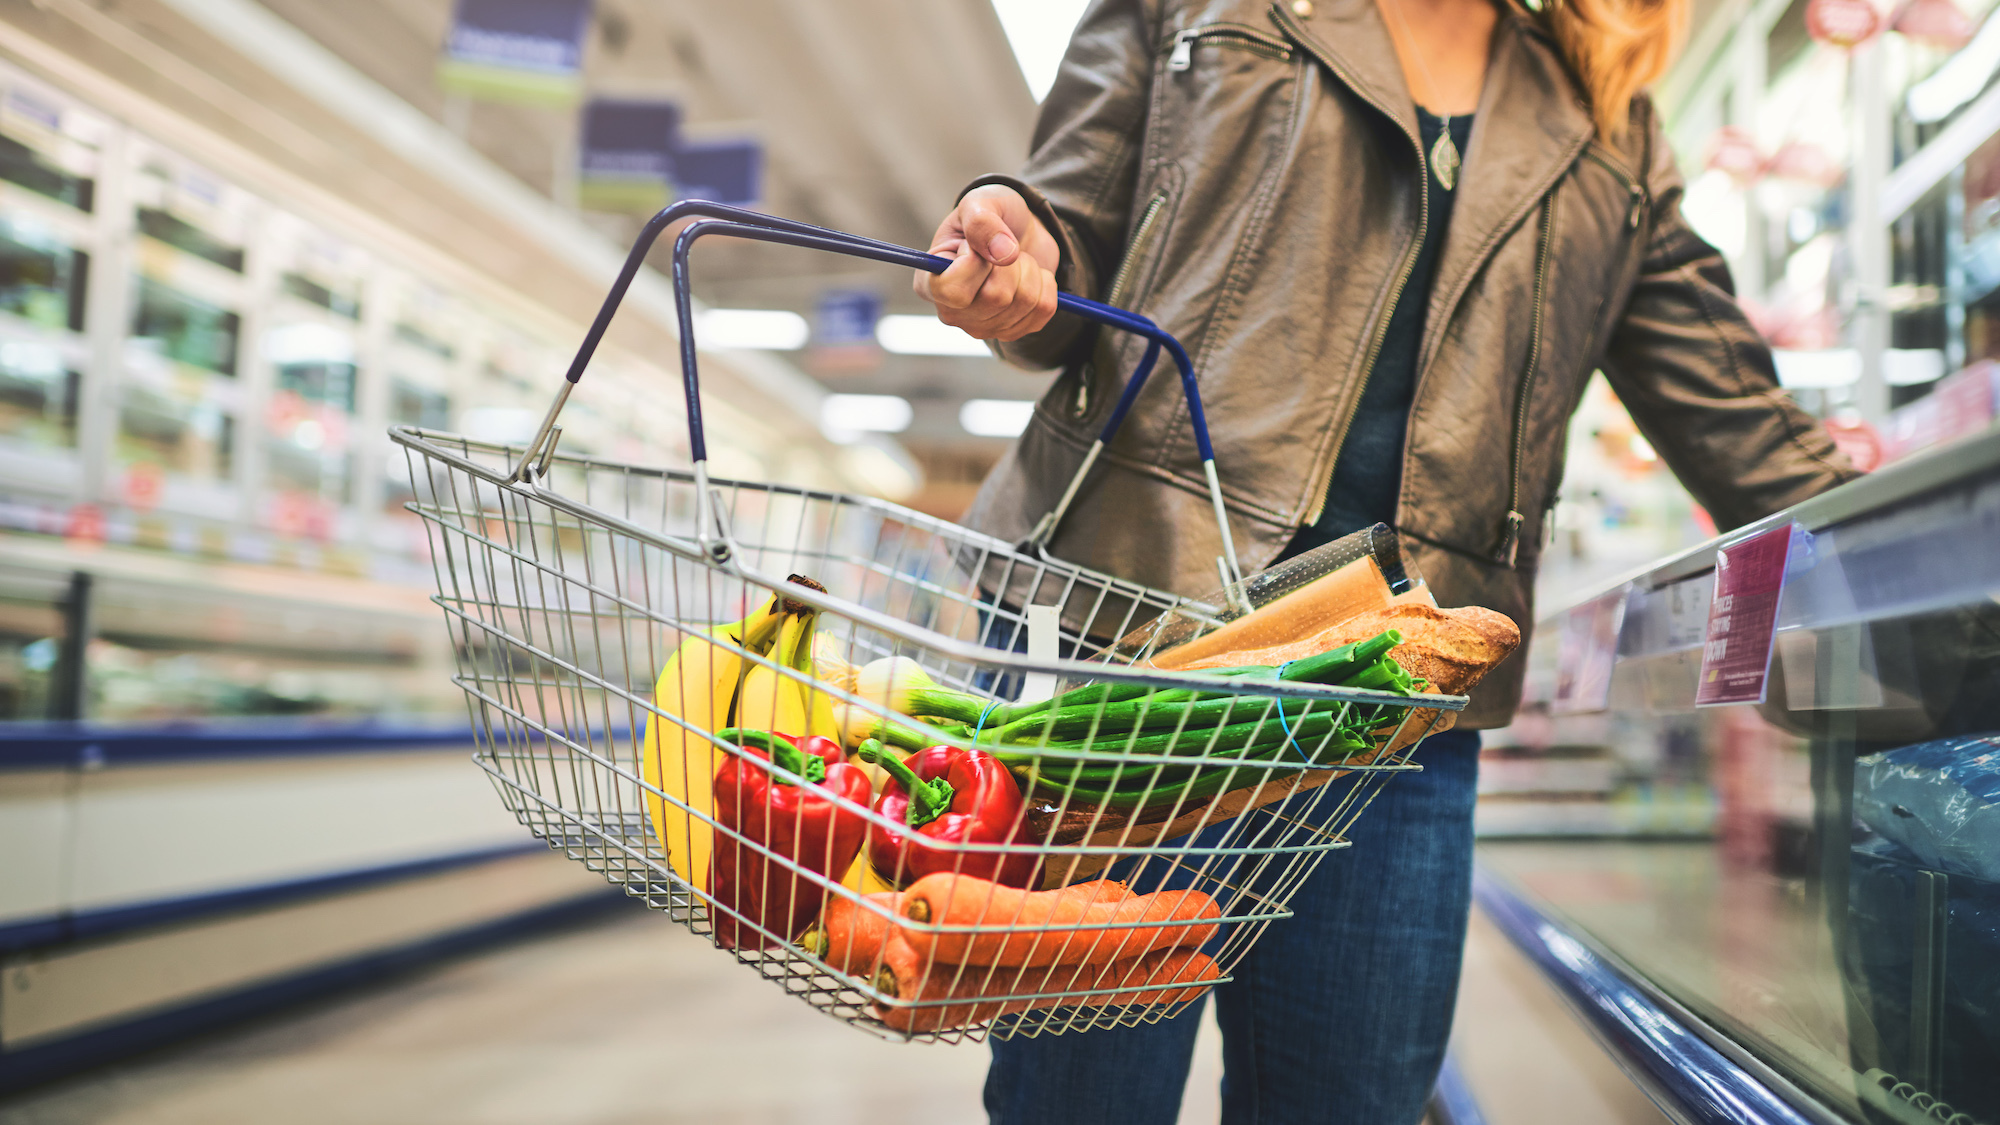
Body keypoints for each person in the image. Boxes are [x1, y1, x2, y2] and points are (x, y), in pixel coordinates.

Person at [913, 0, 1858, 1120]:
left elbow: (1737, 422)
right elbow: (1067, 233)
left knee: (1349, 1103)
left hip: (1398, 703)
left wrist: (1940, 587)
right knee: (1078, 1101)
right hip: (1134, 656)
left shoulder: (1603, 122)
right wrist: (1012, 246)